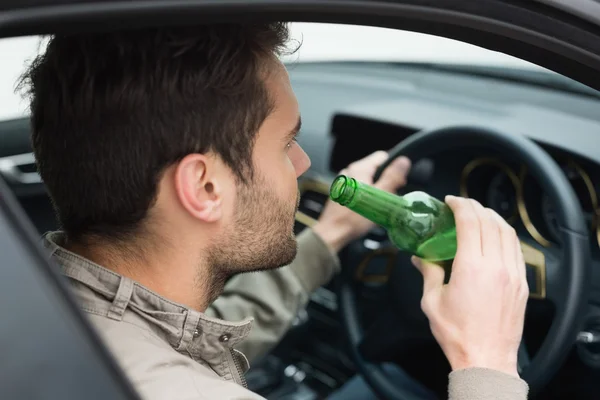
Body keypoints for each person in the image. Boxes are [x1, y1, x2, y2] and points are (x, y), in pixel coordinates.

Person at [19, 22, 529, 399]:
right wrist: (486, 359)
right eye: (287, 143)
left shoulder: (42, 303)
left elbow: (201, 331)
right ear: (204, 185)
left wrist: (328, 237)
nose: (304, 165)